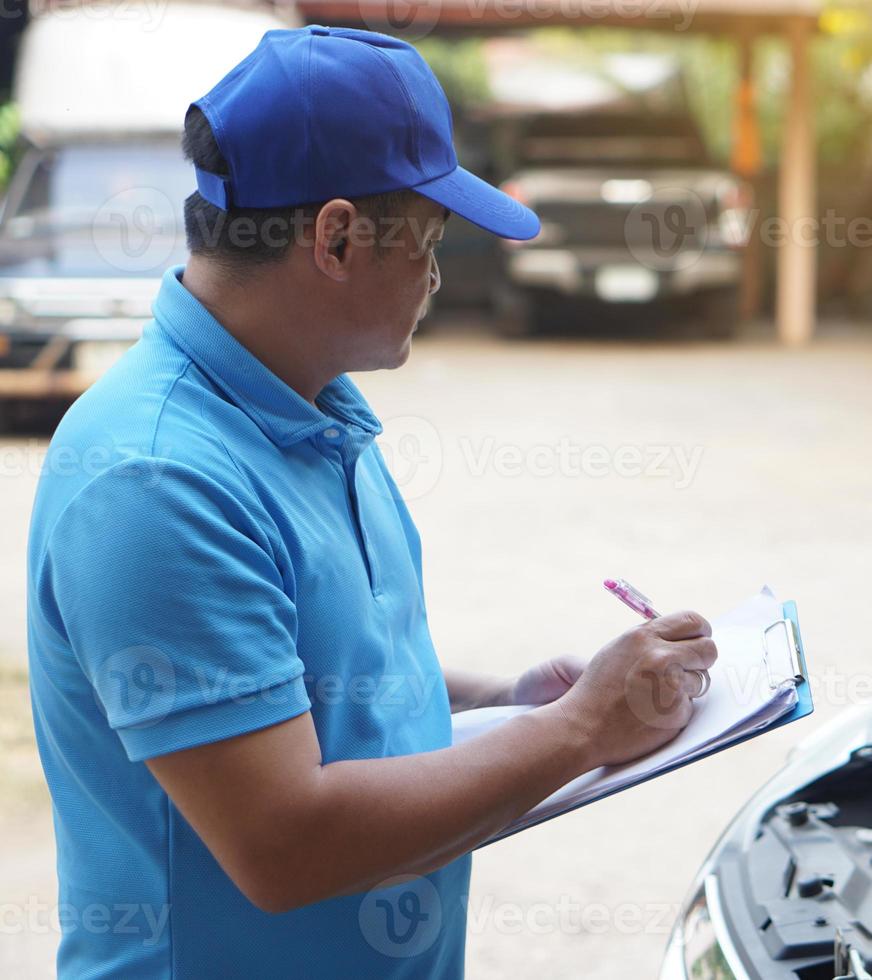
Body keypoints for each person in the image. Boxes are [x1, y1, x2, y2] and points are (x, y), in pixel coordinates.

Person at [25, 26, 716, 978]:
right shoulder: (155, 480)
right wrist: (582, 730)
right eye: (429, 241)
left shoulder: (312, 405)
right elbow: (284, 842)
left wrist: (502, 706)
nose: (436, 276)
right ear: (338, 237)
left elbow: (321, 680)